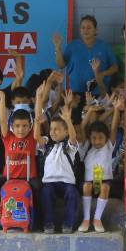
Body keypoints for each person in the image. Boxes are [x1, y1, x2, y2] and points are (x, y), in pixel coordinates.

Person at [0, 85, 42, 230]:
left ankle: (34, 217)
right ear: (12, 126)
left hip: (28, 179)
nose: (21, 129)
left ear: (29, 126)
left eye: (25, 126)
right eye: (18, 126)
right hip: (10, 178)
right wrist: (2, 98)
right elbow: (1, 120)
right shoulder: (8, 137)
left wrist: (38, 97)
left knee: (38, 187)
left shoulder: (32, 138)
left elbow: (37, 119)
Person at [35, 87, 80, 234]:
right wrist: (37, 122)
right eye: (51, 129)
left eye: (57, 129)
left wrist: (67, 120)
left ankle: (68, 224)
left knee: (73, 194)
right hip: (49, 183)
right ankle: (48, 223)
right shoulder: (47, 145)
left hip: (67, 184)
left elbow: (73, 138)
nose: (53, 132)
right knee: (45, 194)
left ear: (66, 131)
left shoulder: (69, 147)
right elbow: (38, 138)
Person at [78, 95, 121, 233]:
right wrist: (90, 111)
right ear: (89, 138)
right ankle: (86, 219)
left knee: (105, 188)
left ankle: (97, 219)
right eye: (94, 138)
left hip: (104, 181)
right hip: (90, 183)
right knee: (86, 185)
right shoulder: (87, 148)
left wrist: (116, 110)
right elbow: (83, 128)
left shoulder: (108, 146)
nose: (97, 141)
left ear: (106, 138)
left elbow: (113, 128)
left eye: (100, 138)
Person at [52, 15, 117, 96]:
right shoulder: (72, 45)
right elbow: (61, 65)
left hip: (99, 93)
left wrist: (102, 74)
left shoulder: (104, 46)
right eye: (83, 27)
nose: (85, 30)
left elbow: (115, 67)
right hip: (76, 94)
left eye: (89, 28)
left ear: (96, 30)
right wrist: (57, 48)